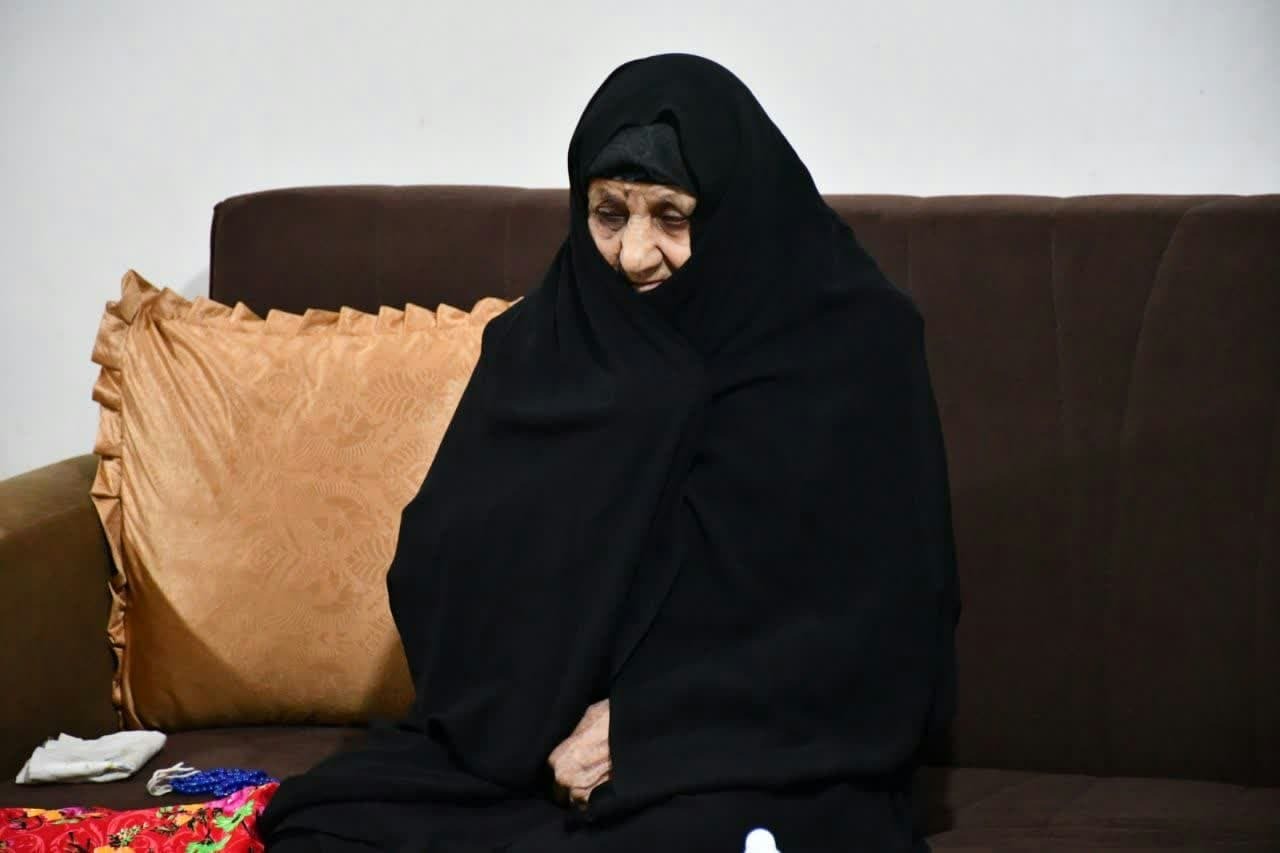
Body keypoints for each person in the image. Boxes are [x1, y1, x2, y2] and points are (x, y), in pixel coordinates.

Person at [259, 52, 960, 852]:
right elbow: (444, 581)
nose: (632, 255)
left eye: (671, 217)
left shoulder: (854, 349)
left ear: (733, 214)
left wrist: (652, 728)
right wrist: (633, 416)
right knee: (325, 831)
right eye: (608, 213)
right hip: (530, 755)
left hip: (756, 755)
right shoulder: (549, 344)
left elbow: (884, 631)